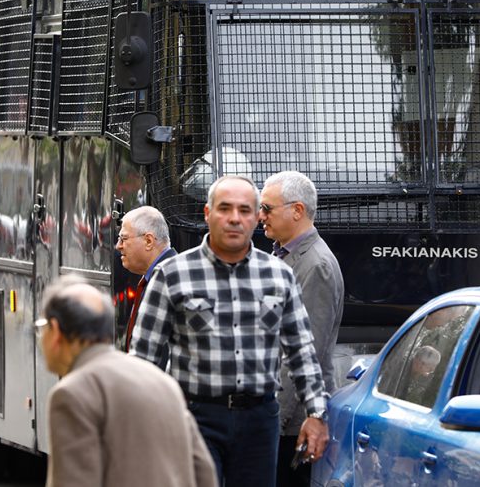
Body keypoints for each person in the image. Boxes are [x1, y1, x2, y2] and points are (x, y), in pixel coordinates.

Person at [130, 175, 329, 487]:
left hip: (259, 421)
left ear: (256, 216)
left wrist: (316, 413)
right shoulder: (172, 276)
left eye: (245, 210)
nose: (235, 218)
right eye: (225, 209)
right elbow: (143, 361)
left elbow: (301, 350)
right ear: (208, 214)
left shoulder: (279, 277)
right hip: (194, 418)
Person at [38, 275, 216, 487]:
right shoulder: (163, 383)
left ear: (56, 331)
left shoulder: (72, 394)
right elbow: (204, 472)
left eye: (41, 326)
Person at [259, 171, 344, 487]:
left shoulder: (315, 266)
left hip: (290, 424)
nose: (260, 216)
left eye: (267, 208)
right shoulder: (285, 255)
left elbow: (303, 351)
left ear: (296, 211)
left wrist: (273, 422)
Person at [115, 206, 176, 352]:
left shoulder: (171, 280)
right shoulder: (159, 276)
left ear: (149, 241)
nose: (118, 246)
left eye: (123, 238)